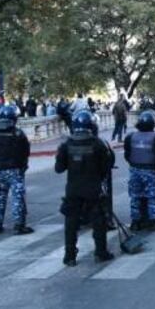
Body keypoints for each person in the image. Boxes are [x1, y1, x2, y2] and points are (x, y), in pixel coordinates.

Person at [55, 110, 115, 265]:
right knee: (98, 222)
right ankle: (100, 252)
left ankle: (69, 256)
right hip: (93, 189)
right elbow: (106, 167)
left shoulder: (66, 145)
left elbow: (59, 168)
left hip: (73, 188)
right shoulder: (98, 144)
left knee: (71, 223)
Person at [0, 104, 32, 235]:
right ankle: (19, 225)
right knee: (17, 198)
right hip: (15, 170)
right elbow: (26, 151)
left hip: (0, 169)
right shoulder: (18, 134)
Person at [123, 109, 155, 231]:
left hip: (135, 170)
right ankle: (154, 221)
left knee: (135, 197)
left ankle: (135, 222)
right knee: (152, 197)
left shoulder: (130, 137)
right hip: (150, 171)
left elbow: (127, 154)